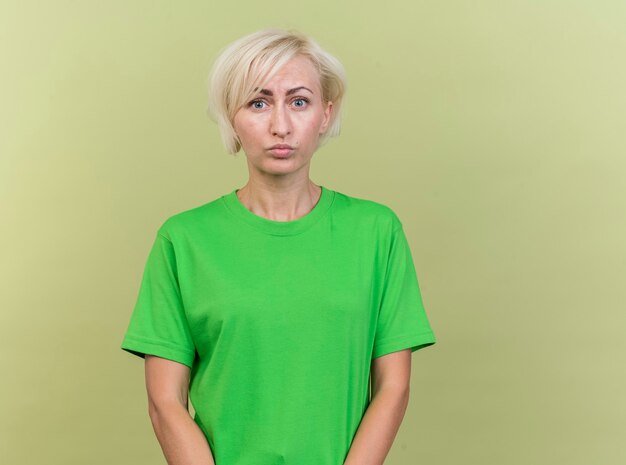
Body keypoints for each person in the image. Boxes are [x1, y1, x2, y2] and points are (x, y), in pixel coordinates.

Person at [120, 27, 436, 465]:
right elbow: (164, 403)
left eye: (299, 101)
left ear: (325, 115)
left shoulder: (377, 232)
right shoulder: (183, 240)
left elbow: (393, 386)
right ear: (232, 117)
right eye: (258, 102)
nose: (280, 125)